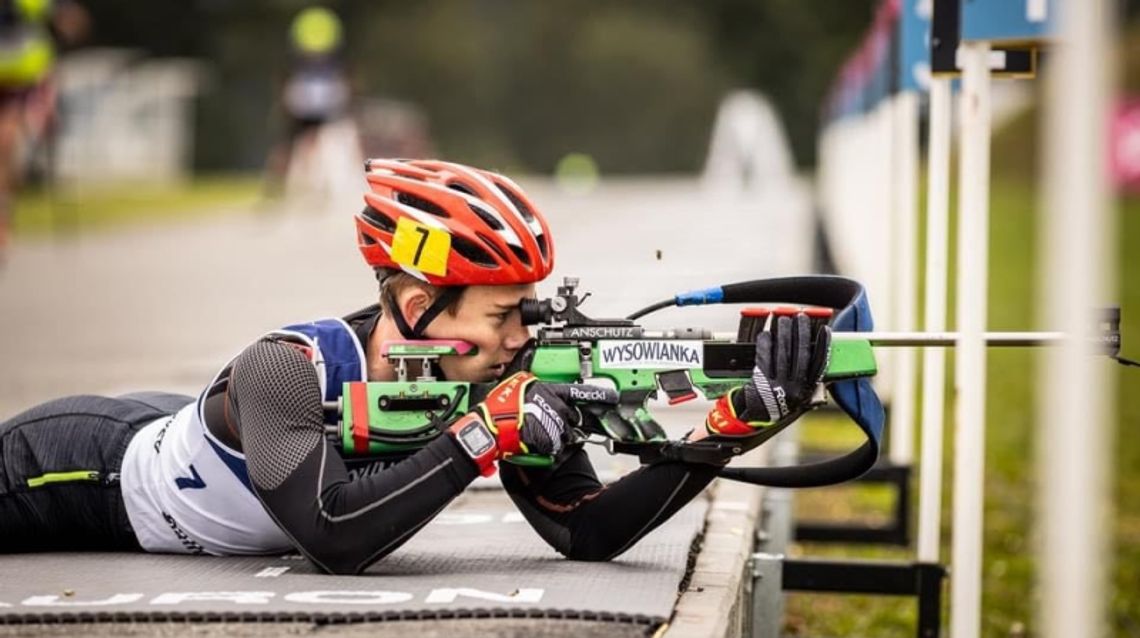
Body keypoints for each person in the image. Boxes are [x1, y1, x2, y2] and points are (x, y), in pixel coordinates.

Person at [0, 159, 831, 574]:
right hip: (79, 471)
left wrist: (728, 431)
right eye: (502, 315)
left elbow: (587, 530)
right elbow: (332, 539)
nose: (520, 339)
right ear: (417, 300)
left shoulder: (499, 379)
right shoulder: (285, 369)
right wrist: (482, 436)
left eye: (526, 313)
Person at [0, 0, 86, 262]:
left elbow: (73, 20)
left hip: (24, 84)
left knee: (5, 143)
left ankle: (3, 220)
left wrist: (65, 24)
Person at [263, 5, 353, 199]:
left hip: (309, 102)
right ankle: (307, 187)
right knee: (303, 144)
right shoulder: (329, 63)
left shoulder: (300, 61)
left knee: (293, 145)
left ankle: (284, 187)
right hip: (316, 102)